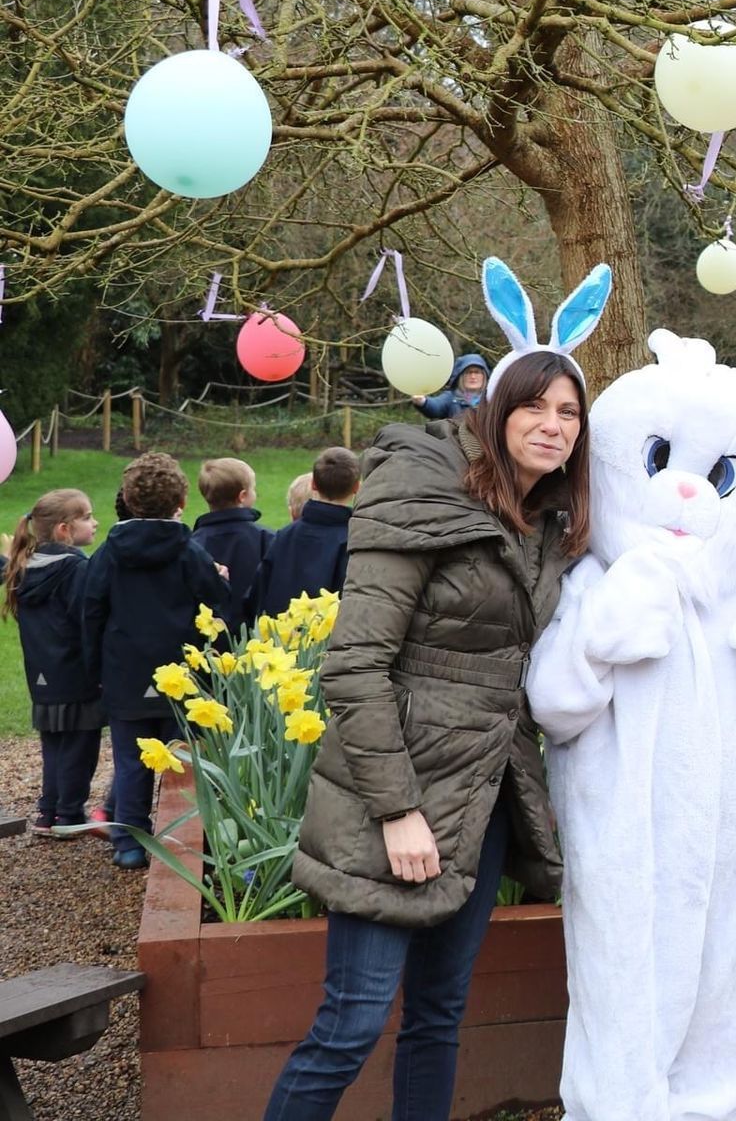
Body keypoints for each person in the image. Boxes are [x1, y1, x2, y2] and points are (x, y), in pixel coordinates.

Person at [261, 350, 590, 1121]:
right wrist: (397, 810)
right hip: (398, 797)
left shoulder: (547, 519)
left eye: (569, 413)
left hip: (484, 797)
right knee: (351, 1024)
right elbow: (355, 667)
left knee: (438, 1018)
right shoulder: (420, 489)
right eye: (535, 408)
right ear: (495, 409)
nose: (553, 426)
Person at [81, 452, 229, 870]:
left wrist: (94, 672)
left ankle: (128, 841)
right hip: (182, 675)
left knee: (131, 761)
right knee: (186, 760)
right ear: (181, 498)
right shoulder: (190, 552)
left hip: (126, 674)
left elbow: (90, 612)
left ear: (127, 498)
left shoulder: (108, 555)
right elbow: (217, 607)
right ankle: (188, 837)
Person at [5, 489, 103, 838]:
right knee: (80, 747)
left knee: (55, 746)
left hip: (42, 676)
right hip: (77, 674)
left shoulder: (23, 566)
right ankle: (70, 814)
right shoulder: (76, 568)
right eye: (88, 516)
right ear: (64, 529)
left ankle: (49, 812)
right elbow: (87, 622)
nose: (95, 523)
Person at [251, 447, 359, 619]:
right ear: (357, 487)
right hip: (325, 641)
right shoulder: (355, 541)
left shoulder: (284, 537)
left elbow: (257, 594)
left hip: (281, 639)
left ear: (313, 484)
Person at [190, 456, 273, 631]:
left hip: (209, 641)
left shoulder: (193, 545)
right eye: (254, 488)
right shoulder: (267, 539)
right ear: (242, 496)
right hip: (257, 640)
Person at [412, 353, 490, 420]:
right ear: (460, 376)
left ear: (484, 376)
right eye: (468, 372)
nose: (473, 376)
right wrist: (423, 401)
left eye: (477, 372)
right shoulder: (451, 397)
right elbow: (436, 406)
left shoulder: (492, 398)